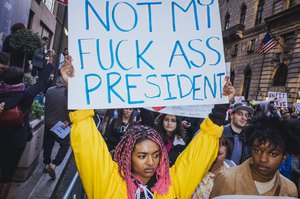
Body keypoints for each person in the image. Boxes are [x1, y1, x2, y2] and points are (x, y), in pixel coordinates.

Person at [60, 58, 235, 199]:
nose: (151, 162)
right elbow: (89, 146)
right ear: (128, 156)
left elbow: (197, 158)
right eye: (142, 156)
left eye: (156, 155)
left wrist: (220, 108)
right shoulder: (108, 182)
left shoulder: (171, 186)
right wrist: (74, 88)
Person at [210, 117, 300, 198]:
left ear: (284, 157)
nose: (263, 159)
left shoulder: (290, 189)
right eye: (257, 150)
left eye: (273, 154)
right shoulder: (227, 180)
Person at [0, 63, 53, 198]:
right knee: (8, 173)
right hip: (17, 140)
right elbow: (42, 82)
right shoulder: (27, 93)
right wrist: (50, 63)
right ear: (20, 80)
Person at [42, 77, 70, 180]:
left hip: (48, 123)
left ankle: (46, 164)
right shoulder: (68, 94)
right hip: (61, 125)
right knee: (65, 145)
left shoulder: (49, 90)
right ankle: (54, 165)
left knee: (48, 144)